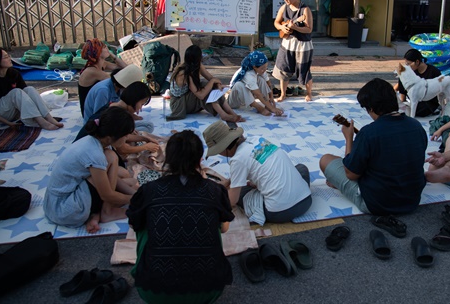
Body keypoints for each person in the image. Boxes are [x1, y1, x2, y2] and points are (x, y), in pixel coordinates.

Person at [127, 130, 234, 304]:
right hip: (208, 290)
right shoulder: (214, 190)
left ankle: (148, 267)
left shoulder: (149, 191)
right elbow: (224, 228)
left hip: (153, 293)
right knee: (214, 221)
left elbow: (134, 225)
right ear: (200, 159)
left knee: (144, 222)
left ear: (167, 159)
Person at [319, 78, 427, 215]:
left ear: (372, 108)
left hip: (377, 203)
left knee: (326, 160)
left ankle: (341, 184)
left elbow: (350, 174)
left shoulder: (369, 133)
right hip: (412, 199)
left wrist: (349, 139)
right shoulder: (416, 126)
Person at [43, 107, 135, 233]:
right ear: (111, 136)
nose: (126, 139)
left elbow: (109, 180)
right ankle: (107, 212)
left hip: (55, 202)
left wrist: (135, 193)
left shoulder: (95, 141)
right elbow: (107, 194)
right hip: (63, 209)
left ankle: (95, 214)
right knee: (112, 158)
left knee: (125, 179)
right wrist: (134, 199)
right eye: (125, 136)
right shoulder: (95, 153)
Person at [203, 120, 312, 224]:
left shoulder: (237, 160)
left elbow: (232, 201)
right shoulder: (258, 139)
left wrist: (217, 194)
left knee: (241, 192)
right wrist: (228, 182)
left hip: (279, 212)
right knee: (300, 168)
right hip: (306, 200)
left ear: (223, 148)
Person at [0, 47, 64, 130]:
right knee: (16, 92)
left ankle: (48, 117)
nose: (9, 58)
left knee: (29, 89)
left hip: (13, 112)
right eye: (5, 57)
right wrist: (9, 123)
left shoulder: (13, 73)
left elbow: (26, 96)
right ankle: (41, 122)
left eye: (8, 56)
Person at [75, 81, 159, 157]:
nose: (140, 108)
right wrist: (145, 147)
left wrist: (145, 138)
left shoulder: (115, 106)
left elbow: (124, 137)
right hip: (86, 152)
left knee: (148, 125)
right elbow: (122, 149)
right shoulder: (116, 117)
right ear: (135, 100)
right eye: (142, 104)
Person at [167, 45, 243, 122]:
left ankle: (230, 112)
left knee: (209, 86)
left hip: (187, 96)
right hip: (179, 103)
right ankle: (223, 115)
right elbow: (201, 95)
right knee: (207, 89)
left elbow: (210, 78)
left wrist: (218, 85)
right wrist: (213, 82)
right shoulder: (184, 74)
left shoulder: (197, 66)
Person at [273, 0, 314, 102]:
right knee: (283, 68)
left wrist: (295, 27)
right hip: (287, 42)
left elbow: (309, 29)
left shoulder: (305, 10)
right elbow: (276, 22)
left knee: (304, 69)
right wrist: (282, 28)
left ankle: (309, 93)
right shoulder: (283, 8)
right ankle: (283, 94)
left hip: (303, 44)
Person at [77, 38, 127, 116]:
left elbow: (124, 68)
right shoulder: (92, 71)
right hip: (90, 111)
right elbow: (117, 82)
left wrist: (112, 55)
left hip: (97, 102)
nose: (106, 48)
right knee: (122, 87)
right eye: (103, 47)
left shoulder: (102, 63)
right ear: (97, 52)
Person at [227, 50, 283, 116]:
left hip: (247, 98)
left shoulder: (261, 69)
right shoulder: (248, 74)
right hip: (234, 101)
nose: (264, 69)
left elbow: (268, 83)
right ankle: (260, 108)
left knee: (261, 79)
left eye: (266, 67)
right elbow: (258, 94)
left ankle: (268, 105)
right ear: (254, 67)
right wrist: (273, 109)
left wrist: (271, 98)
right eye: (262, 68)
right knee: (239, 85)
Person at [394, 48, 441, 117]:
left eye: (409, 64)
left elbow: (439, 88)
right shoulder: (409, 71)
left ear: (417, 62)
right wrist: (402, 103)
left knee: (419, 109)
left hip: (427, 102)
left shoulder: (433, 72)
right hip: (411, 100)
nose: (407, 66)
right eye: (406, 64)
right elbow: (401, 89)